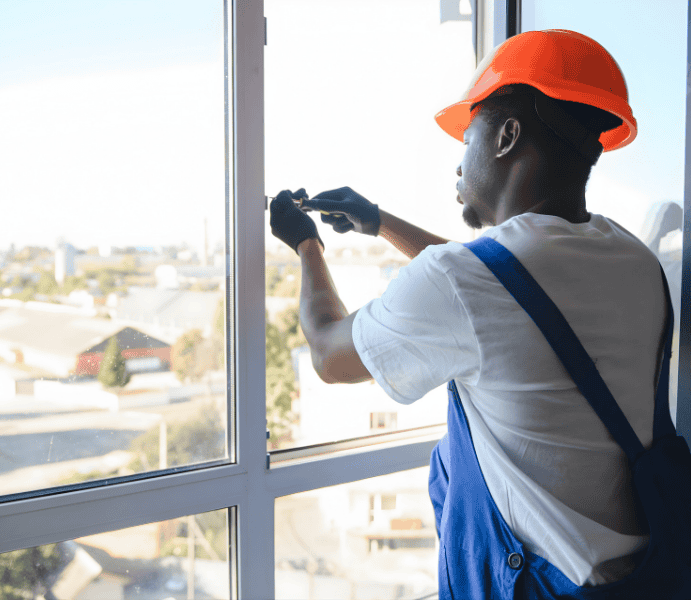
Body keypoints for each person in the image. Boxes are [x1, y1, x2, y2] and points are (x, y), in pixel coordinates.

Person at [269, 29, 691, 598]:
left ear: (506, 136)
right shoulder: (634, 260)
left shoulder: (465, 283)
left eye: (467, 139)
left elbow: (328, 352)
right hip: (646, 578)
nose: (458, 165)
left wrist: (306, 244)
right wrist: (381, 222)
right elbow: (506, 288)